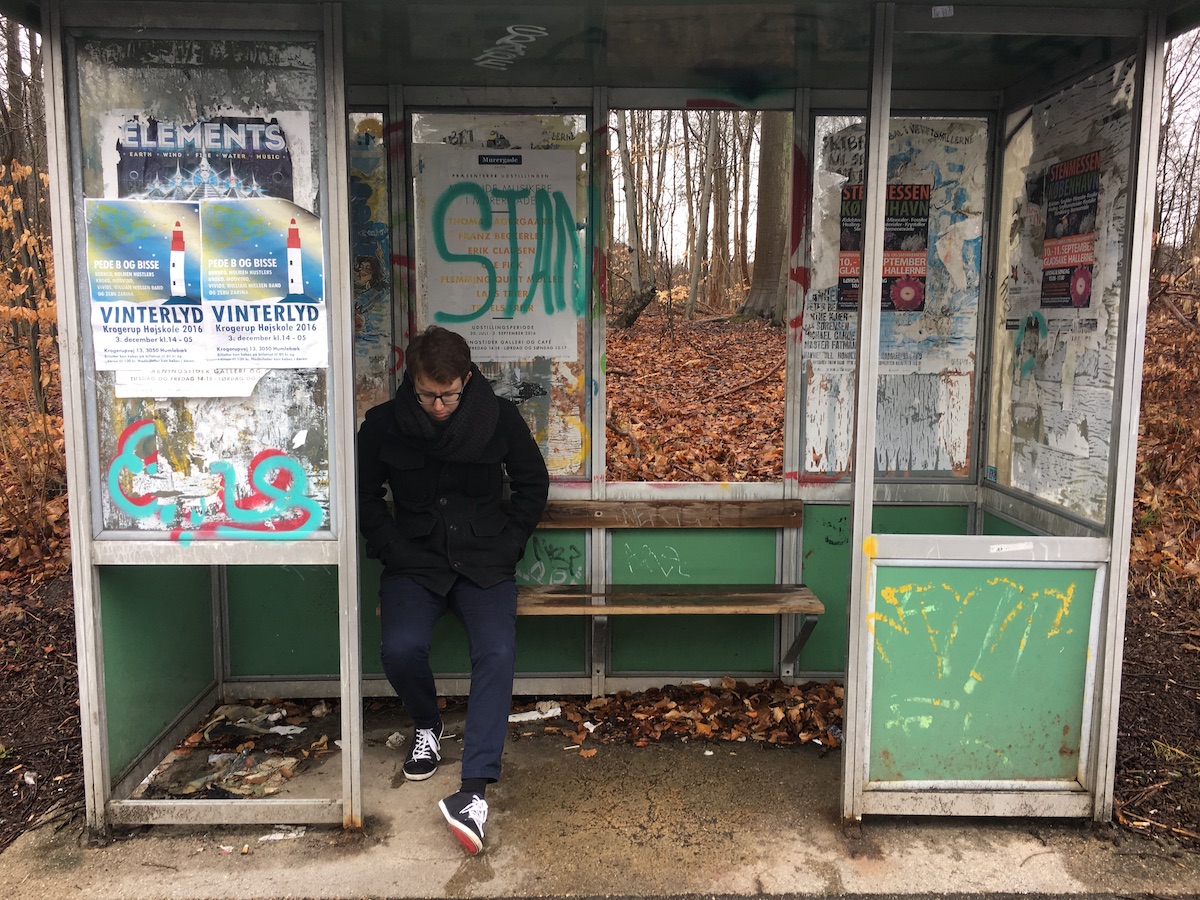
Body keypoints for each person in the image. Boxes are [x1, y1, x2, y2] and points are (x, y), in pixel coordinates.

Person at [357, 325, 549, 855]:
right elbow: (366, 497)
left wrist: (509, 543)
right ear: (411, 383)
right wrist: (392, 549)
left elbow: (533, 483)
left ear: (467, 379)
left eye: (449, 394)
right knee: (399, 649)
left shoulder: (499, 418)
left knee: (496, 651)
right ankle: (427, 725)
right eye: (427, 395)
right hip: (414, 562)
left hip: (485, 562)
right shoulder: (382, 426)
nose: (439, 406)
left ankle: (473, 791)